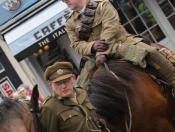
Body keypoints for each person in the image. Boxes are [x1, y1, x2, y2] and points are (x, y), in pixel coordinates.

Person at [64, 0, 175, 90]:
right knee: (81, 89)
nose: (65, 1)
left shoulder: (102, 5)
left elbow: (111, 28)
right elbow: (76, 44)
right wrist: (92, 46)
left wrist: (101, 52)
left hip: (122, 43)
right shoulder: (69, 23)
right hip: (93, 57)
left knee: (152, 53)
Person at [39, 61, 108, 132]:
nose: (63, 86)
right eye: (58, 84)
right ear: (52, 86)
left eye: (65, 81)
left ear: (73, 78)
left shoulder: (82, 93)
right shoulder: (49, 107)